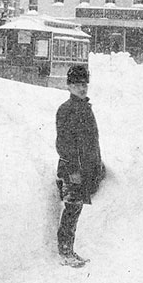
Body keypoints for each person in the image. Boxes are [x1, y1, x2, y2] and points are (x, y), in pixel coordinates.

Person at [55, 63, 105, 268]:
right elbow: (64, 144)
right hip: (71, 171)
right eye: (76, 84)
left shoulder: (85, 108)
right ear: (68, 86)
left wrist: (97, 165)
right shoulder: (67, 110)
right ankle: (65, 252)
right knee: (71, 210)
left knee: (75, 211)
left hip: (84, 169)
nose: (82, 88)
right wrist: (73, 170)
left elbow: (92, 141)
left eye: (84, 84)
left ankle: (70, 250)